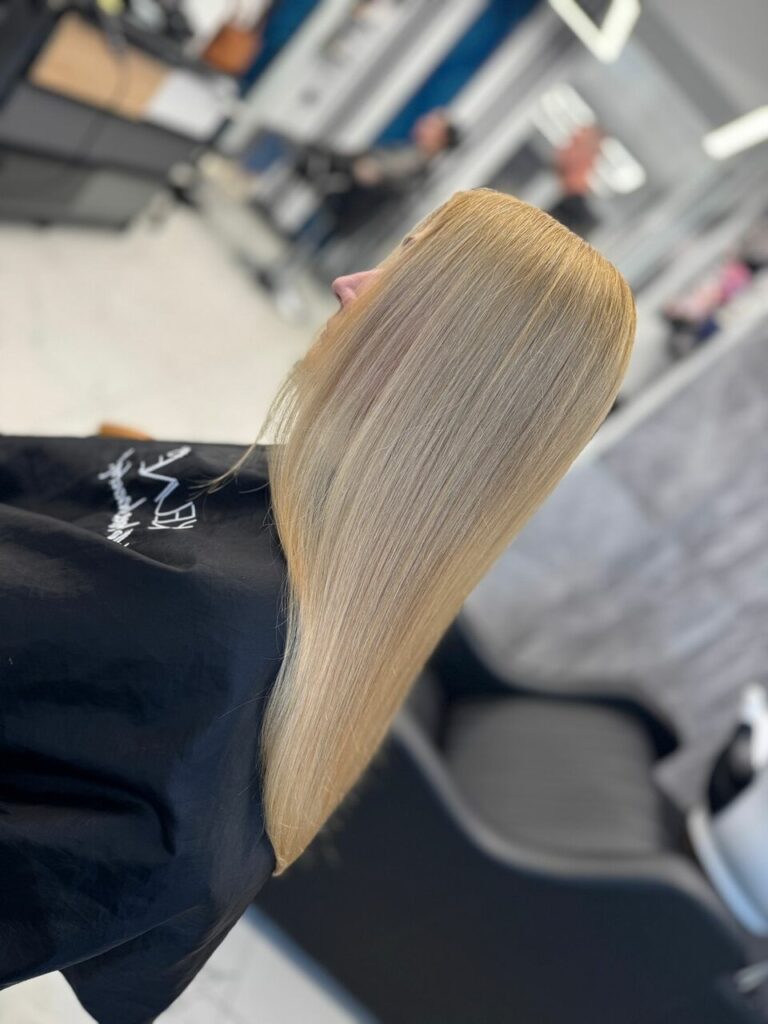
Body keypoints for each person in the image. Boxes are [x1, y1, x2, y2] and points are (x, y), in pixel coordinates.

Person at [0, 188, 636, 1023]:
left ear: (454, 372)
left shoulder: (222, 622)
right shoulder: (304, 554)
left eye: (405, 276)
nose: (348, 283)